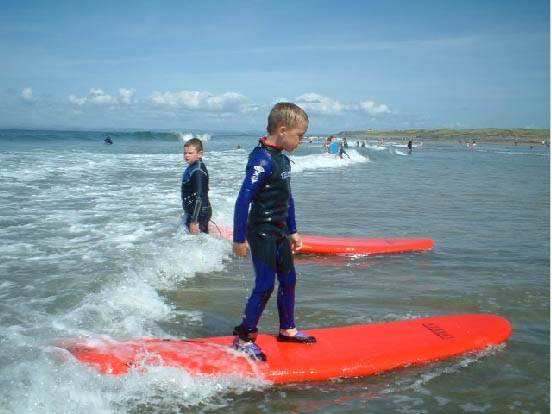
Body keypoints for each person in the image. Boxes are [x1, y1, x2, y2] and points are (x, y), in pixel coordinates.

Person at [232, 102, 316, 361]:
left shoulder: (282, 158)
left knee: (289, 280)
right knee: (266, 284)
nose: (301, 140)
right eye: (299, 135)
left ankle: (287, 330)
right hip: (261, 232)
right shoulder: (261, 159)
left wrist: (293, 230)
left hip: (279, 231)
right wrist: (238, 239)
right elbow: (243, 200)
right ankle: (244, 338)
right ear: (282, 130)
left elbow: (287, 197)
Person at [181, 138, 212, 234]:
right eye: (185, 153)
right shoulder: (194, 167)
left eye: (190, 153)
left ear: (199, 154)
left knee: (199, 241)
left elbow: (199, 197)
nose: (186, 155)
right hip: (196, 211)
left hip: (200, 213)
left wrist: (194, 220)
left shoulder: (197, 171)